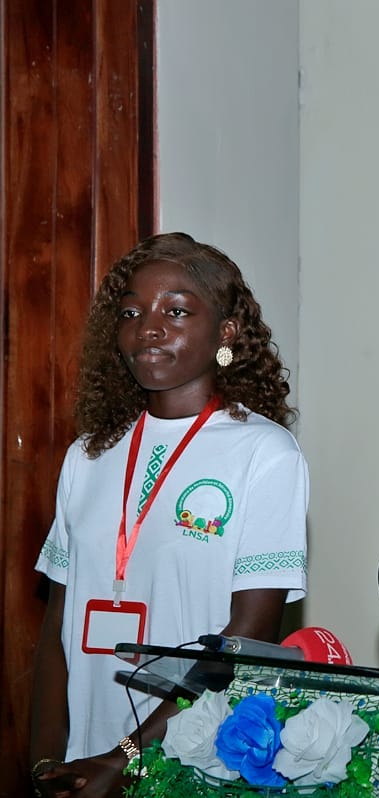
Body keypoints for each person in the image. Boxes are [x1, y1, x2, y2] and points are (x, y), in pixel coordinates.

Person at [29, 233, 310, 797]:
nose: (148, 329)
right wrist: (42, 763)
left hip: (187, 767)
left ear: (226, 331)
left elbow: (247, 639)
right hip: (83, 767)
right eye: (132, 313)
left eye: (176, 311)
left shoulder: (264, 452)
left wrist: (125, 759)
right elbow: (56, 626)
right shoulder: (87, 456)